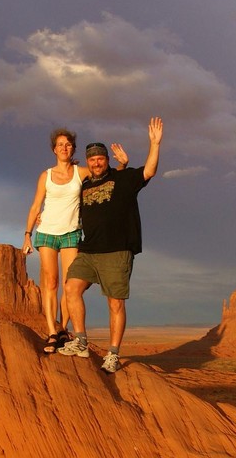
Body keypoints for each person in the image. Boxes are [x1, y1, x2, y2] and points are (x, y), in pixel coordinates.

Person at [57, 117, 163, 373]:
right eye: (91, 159)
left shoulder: (123, 179)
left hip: (116, 252)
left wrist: (154, 144)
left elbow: (148, 171)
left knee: (115, 303)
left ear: (106, 160)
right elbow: (64, 201)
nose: (96, 162)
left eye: (100, 158)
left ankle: (113, 354)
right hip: (88, 251)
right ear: (88, 162)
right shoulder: (84, 185)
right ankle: (80, 340)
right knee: (71, 288)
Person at [22, 128, 127, 354]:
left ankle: (63, 329)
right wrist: (28, 234)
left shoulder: (81, 173)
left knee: (70, 285)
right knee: (50, 284)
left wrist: (123, 165)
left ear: (73, 149)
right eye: (60, 145)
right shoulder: (46, 176)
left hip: (71, 234)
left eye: (68, 145)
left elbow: (107, 178)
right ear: (54, 149)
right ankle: (52, 332)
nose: (64, 148)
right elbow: (35, 206)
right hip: (47, 233)